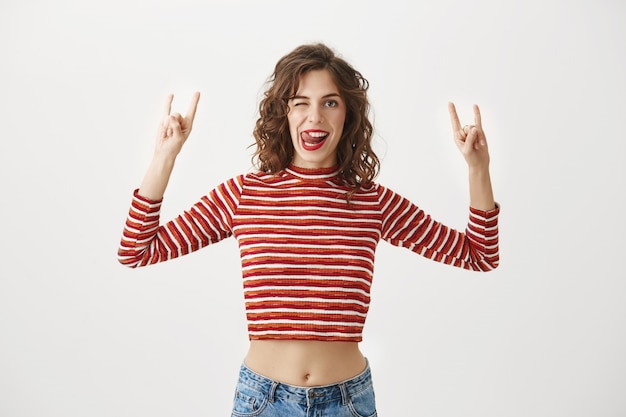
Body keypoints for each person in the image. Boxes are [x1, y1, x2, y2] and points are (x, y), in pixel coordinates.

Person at [118, 43, 499, 417]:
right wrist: (164, 156)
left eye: (329, 102)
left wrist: (477, 168)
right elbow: (137, 250)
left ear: (347, 115)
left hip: (347, 402)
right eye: (301, 102)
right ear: (283, 113)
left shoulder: (371, 202)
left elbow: (479, 254)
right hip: (262, 402)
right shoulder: (245, 195)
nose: (314, 116)